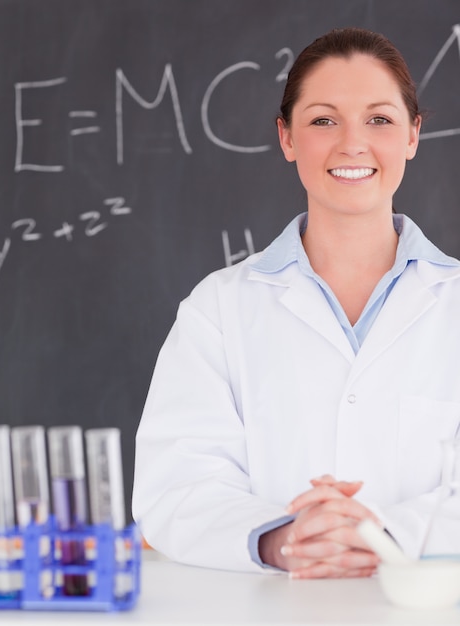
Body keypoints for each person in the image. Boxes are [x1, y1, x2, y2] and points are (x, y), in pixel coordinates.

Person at [132, 27, 460, 577]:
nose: (352, 143)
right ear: (286, 138)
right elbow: (175, 490)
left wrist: (379, 536)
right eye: (323, 120)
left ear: (412, 135)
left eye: (379, 119)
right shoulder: (219, 308)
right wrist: (283, 539)